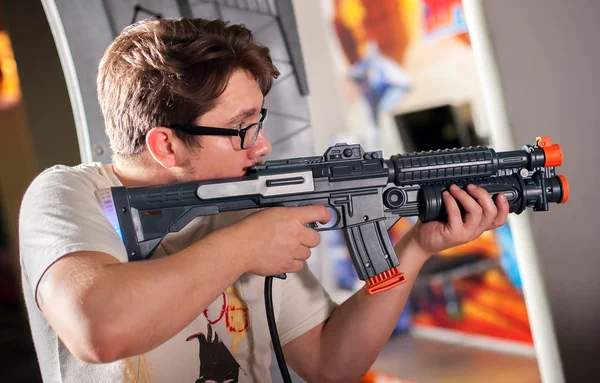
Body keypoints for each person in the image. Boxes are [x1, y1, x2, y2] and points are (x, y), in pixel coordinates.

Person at [18, 17, 509, 383]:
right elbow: (98, 329)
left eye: (258, 120)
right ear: (165, 145)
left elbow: (330, 364)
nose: (262, 144)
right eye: (239, 127)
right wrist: (244, 246)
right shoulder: (67, 195)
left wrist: (416, 249)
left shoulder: (244, 202)